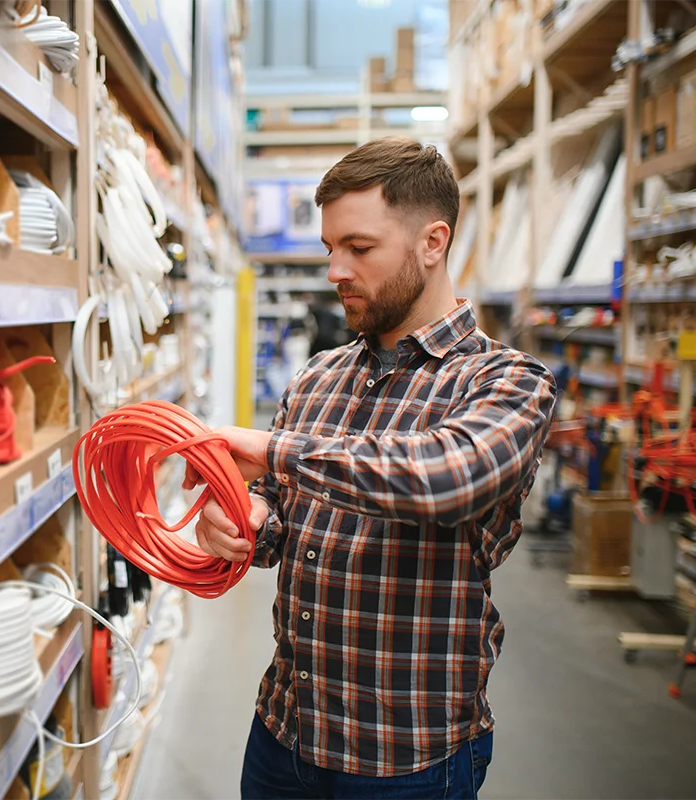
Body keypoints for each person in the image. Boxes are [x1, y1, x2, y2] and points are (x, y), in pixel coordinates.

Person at [185, 137, 557, 799]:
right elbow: (277, 523)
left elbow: (444, 478)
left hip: (407, 757)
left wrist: (273, 451)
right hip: (285, 732)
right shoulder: (318, 378)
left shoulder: (507, 382)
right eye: (330, 247)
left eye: (358, 248)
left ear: (433, 243)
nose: (336, 270)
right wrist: (242, 517)